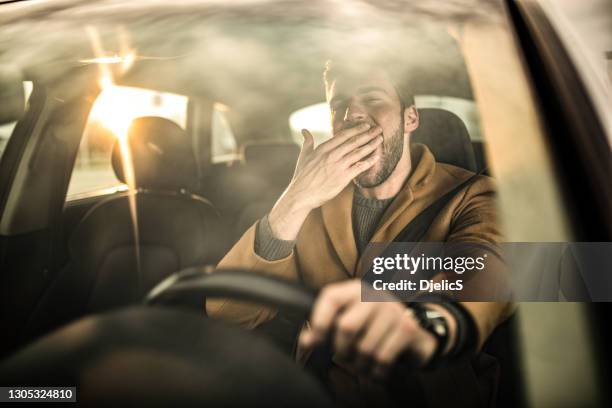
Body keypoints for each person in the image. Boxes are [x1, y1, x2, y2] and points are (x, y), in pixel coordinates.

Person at [207, 58, 512, 406]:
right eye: (339, 105)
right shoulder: (309, 205)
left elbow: (489, 268)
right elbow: (226, 311)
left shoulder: (471, 195)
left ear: (410, 118)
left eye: (372, 98)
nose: (352, 114)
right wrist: (295, 199)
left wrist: (429, 321)